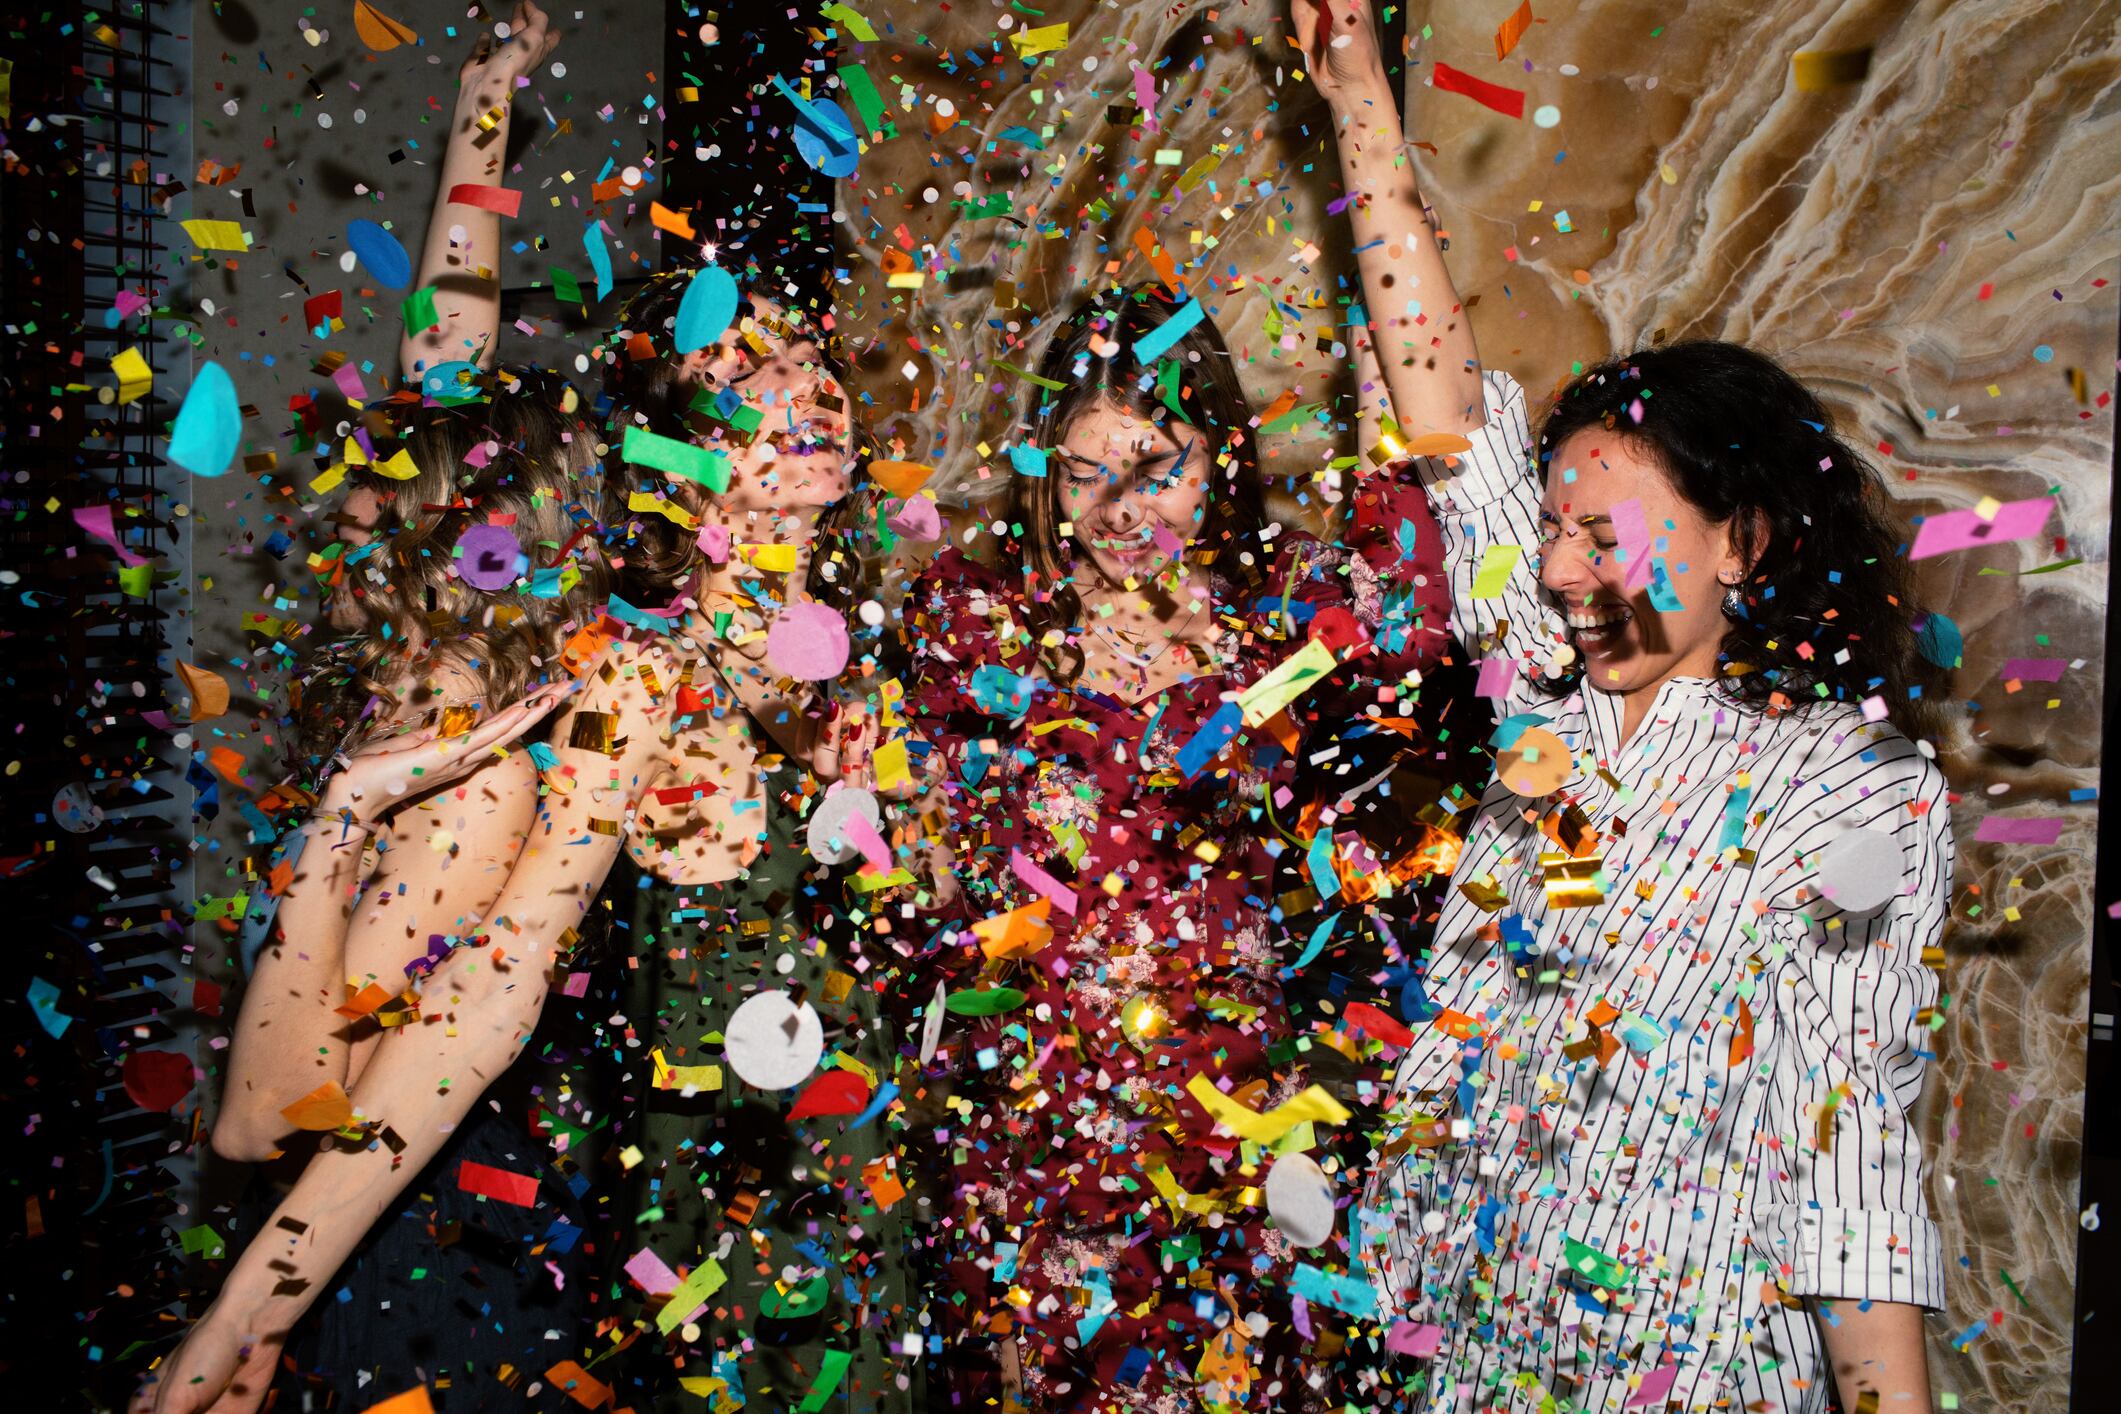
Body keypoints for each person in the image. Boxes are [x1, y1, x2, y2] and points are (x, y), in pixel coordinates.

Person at [1308, 4, 1959, 1410]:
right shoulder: (1538, 677)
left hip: (1685, 1367)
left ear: (1742, 543)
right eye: (1550, 527)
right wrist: (1358, 91)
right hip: (1465, 1353)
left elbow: (1852, 1154)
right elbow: (1435, 392)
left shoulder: (1850, 789)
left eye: (1605, 536)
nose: (1555, 566)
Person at [893, 8, 1477, 1407]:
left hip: (1229, 1138)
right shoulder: (982, 626)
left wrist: (1359, 114)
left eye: (1151, 465)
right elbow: (915, 881)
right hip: (1025, 1139)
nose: (1117, 513)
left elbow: (1438, 464)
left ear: (1216, 451)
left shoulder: (1293, 621)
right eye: (1079, 475)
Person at [141, 371, 621, 1413]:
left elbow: (266, 1116)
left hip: (417, 1286)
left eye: (367, 508)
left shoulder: (478, 780)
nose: (337, 525)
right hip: (333, 1251)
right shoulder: (397, 723)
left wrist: (346, 813)